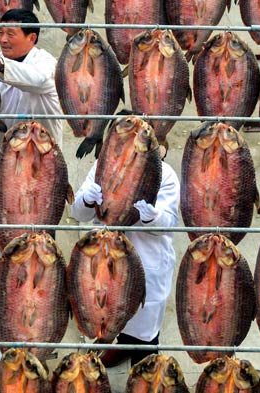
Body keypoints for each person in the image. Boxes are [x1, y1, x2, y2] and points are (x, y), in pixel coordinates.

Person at [69, 157, 181, 367]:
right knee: (110, 312)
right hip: (104, 265)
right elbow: (76, 212)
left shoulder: (165, 174)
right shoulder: (101, 166)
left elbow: (170, 222)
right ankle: (122, 345)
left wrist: (153, 217)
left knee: (144, 334)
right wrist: (86, 199)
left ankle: (143, 369)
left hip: (147, 264)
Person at [0, 9, 64, 146]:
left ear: (31, 38)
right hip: (8, 154)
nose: (3, 39)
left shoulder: (46, 62)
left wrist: (0, 65)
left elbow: (37, 80)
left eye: (10, 34)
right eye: (1, 33)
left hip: (43, 153)